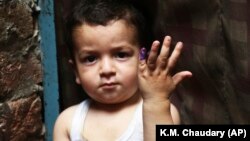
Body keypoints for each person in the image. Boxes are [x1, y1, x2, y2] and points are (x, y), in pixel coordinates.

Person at [53, 0, 192, 141]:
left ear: (144, 60)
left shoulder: (161, 110)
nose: (106, 70)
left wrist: (156, 102)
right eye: (90, 59)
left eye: (121, 55)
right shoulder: (68, 123)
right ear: (75, 70)